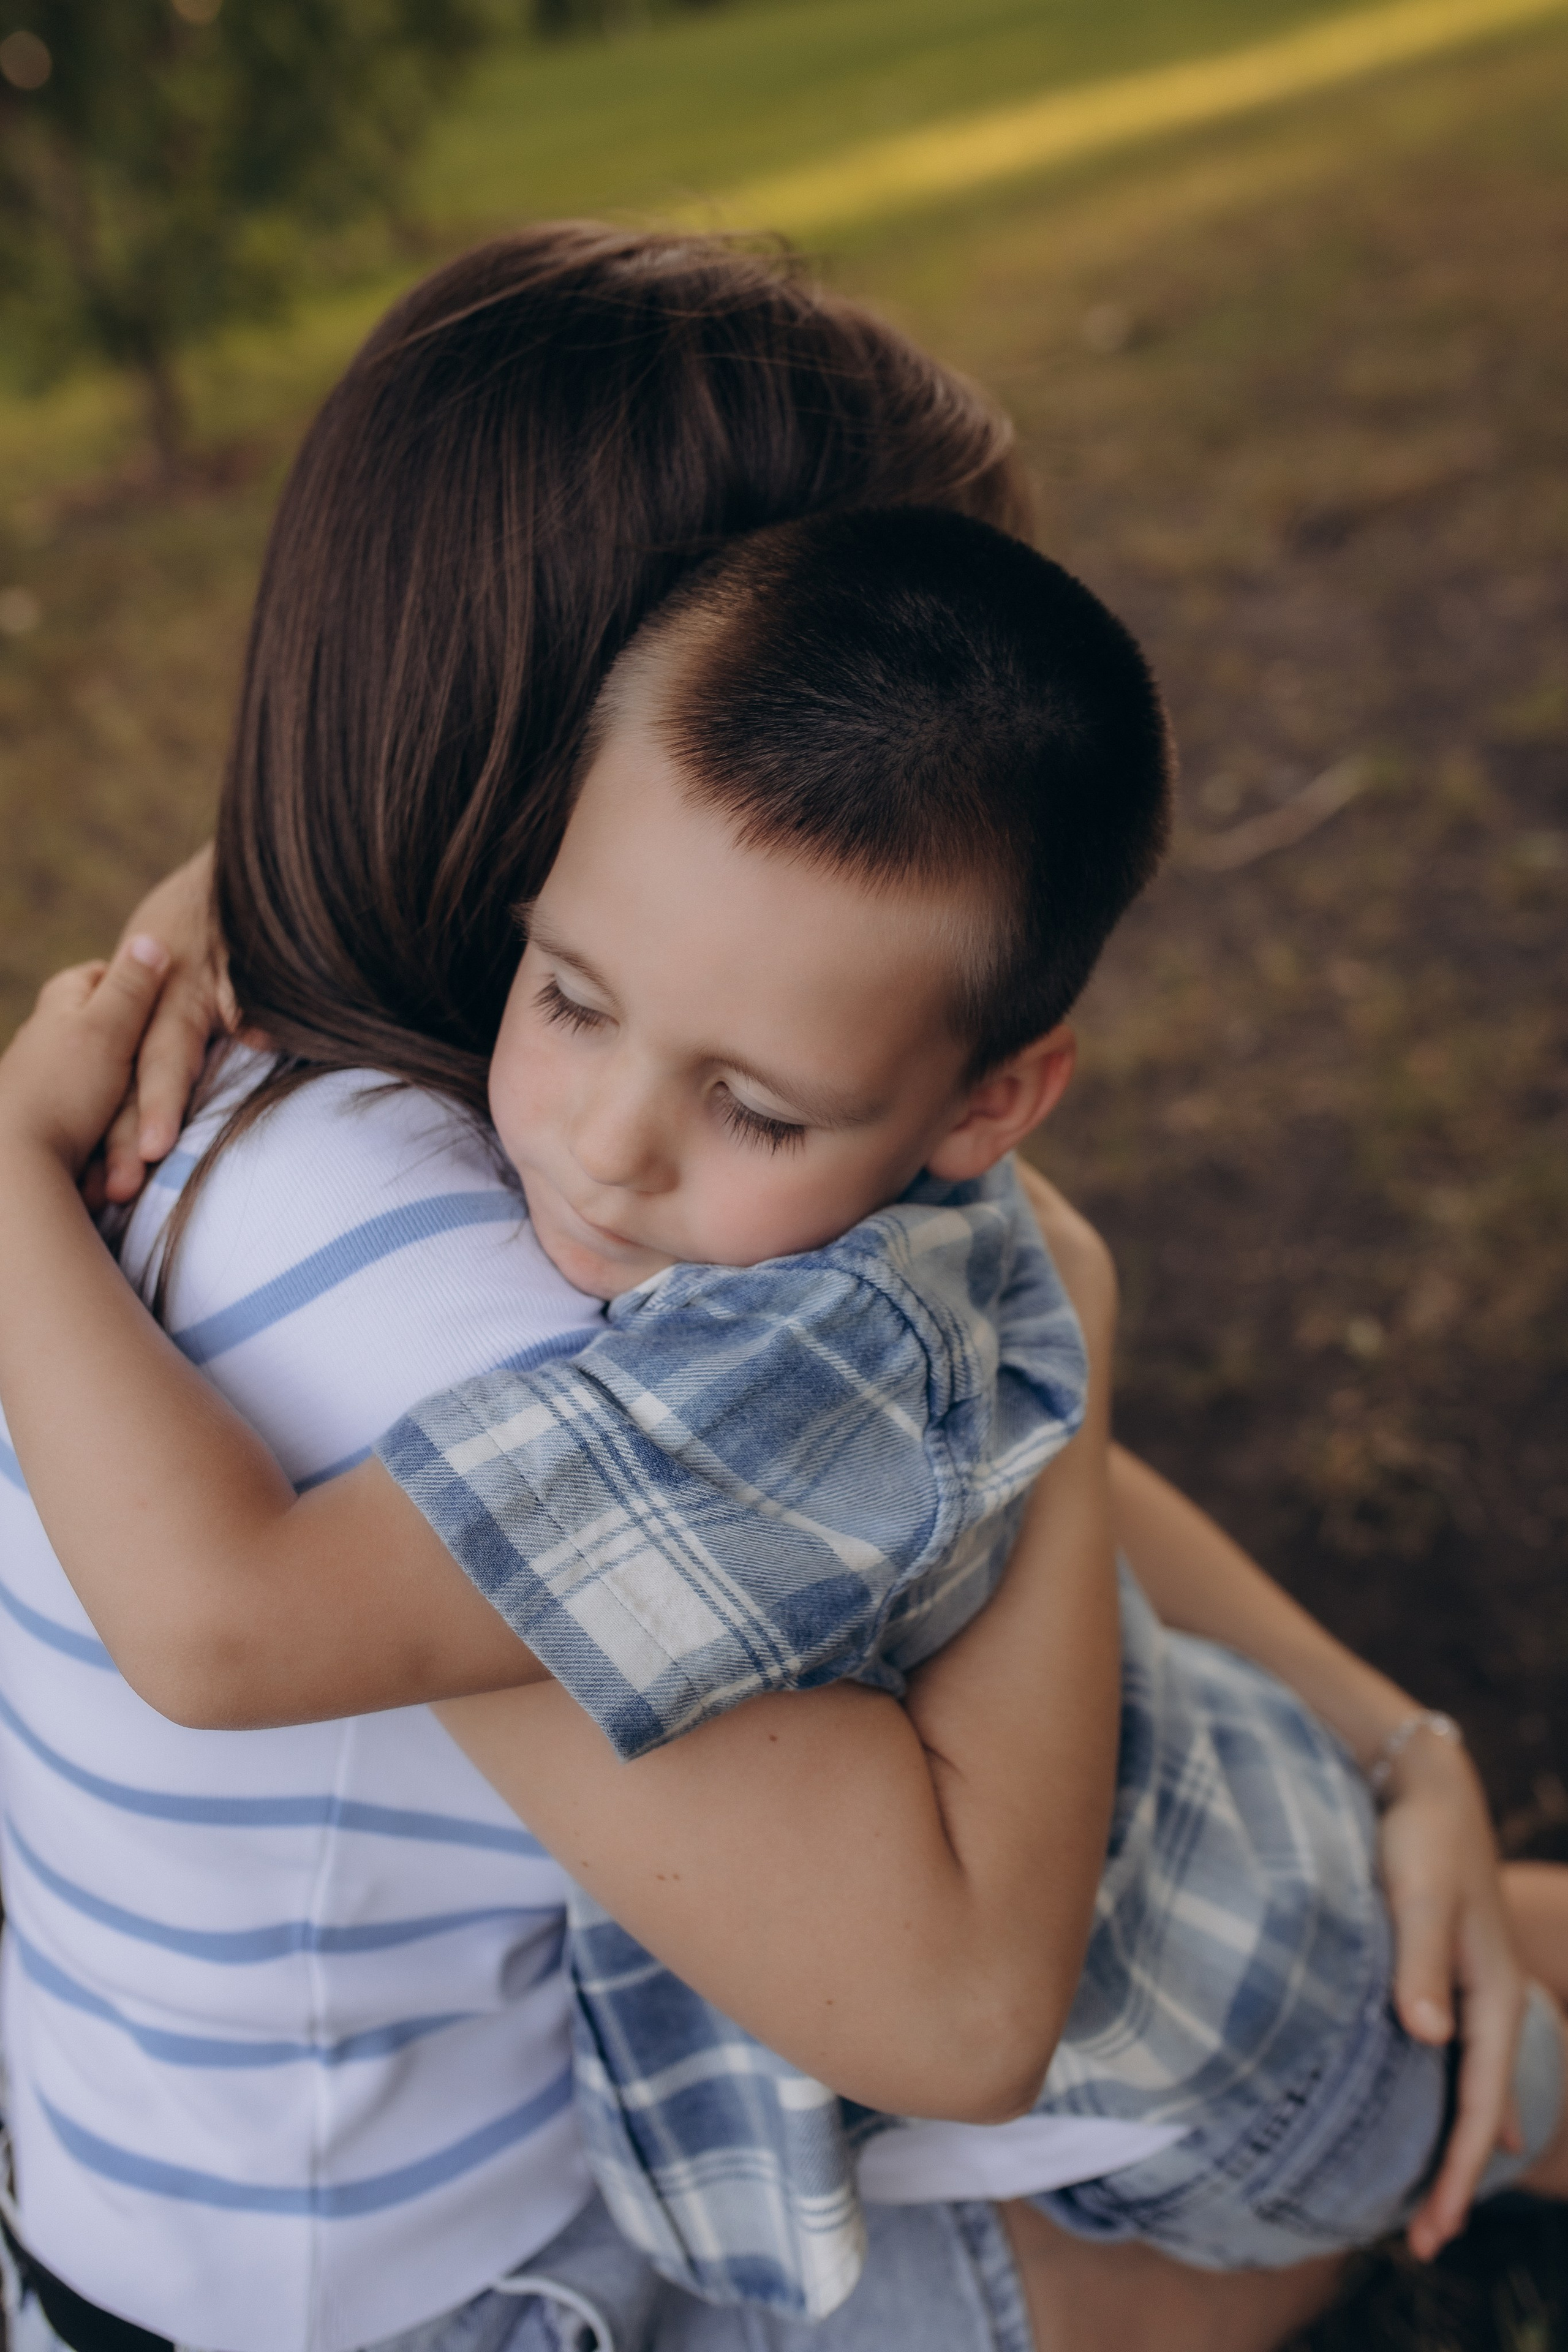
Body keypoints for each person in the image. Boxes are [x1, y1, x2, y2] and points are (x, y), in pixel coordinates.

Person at [3, 379, 1567, 2352]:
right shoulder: (447, 1299)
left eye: (754, 1101)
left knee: (1415, 1983)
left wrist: (1389, 1730)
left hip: (367, 2251)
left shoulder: (353, 1091)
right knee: (1343, 2114)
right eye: (573, 995)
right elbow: (964, 2007)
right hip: (467, 2310)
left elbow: (899, 1453)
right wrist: (1044, 1340)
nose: (612, 1143)